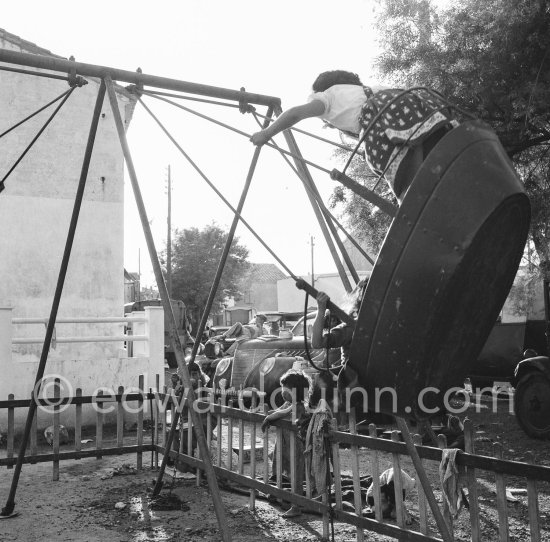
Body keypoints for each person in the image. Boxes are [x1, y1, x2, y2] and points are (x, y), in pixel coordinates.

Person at [250, 70, 458, 203]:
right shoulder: (370, 89)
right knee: (425, 149)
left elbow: (295, 113)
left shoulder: (326, 96)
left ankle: (414, 200)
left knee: (400, 172)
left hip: (386, 124)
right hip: (426, 116)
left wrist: (266, 133)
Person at [261, 369, 312, 518]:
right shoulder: (288, 403)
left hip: (296, 447)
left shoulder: (299, 406)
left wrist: (269, 418)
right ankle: (279, 494)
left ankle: (296, 506)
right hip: (285, 445)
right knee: (282, 470)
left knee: (296, 475)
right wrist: (270, 415)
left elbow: (281, 414)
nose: (282, 391)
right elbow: (278, 411)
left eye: (285, 388)